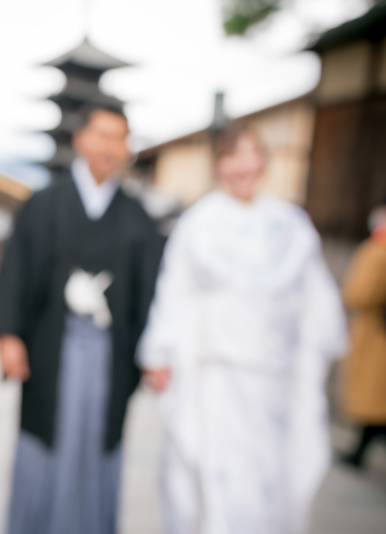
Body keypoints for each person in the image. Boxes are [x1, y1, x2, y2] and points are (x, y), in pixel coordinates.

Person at [138, 124, 347, 534]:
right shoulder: (200, 221)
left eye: (251, 154)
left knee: (271, 470)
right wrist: (159, 353)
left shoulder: (290, 222)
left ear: (264, 162)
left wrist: (325, 338)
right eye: (232, 155)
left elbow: (315, 293)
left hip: (276, 374)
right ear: (219, 165)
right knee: (216, 469)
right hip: (217, 371)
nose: (243, 166)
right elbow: (174, 290)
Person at [0, 103, 163, 534]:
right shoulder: (43, 205)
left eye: (120, 138)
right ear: (80, 139)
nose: (110, 146)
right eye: (102, 135)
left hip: (110, 352)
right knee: (45, 437)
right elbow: (17, 271)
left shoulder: (137, 217)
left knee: (100, 442)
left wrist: (156, 348)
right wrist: (9, 336)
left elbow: (153, 291)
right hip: (49, 345)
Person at [340, 201, 386, 468]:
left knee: (372, 396)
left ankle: (359, 452)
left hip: (374, 332)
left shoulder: (375, 251)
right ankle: (360, 449)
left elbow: (359, 293)